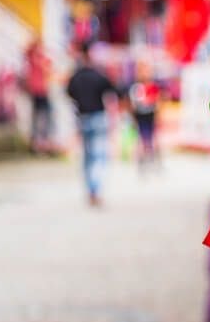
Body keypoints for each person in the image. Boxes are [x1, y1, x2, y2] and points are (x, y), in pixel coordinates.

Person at [65, 42, 117, 206]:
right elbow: (112, 89)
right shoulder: (97, 75)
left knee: (87, 157)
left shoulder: (76, 76)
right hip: (98, 118)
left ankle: (90, 189)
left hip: (83, 118)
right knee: (99, 156)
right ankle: (95, 189)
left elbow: (69, 93)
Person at [127, 62, 161, 172]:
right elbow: (134, 104)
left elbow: (157, 100)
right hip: (140, 115)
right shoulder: (137, 87)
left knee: (152, 138)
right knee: (142, 139)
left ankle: (153, 161)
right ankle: (142, 162)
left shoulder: (152, 86)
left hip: (150, 114)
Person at [24, 40, 54, 153]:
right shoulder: (34, 58)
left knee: (42, 116)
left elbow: (50, 68)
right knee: (41, 117)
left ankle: (41, 141)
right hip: (38, 91)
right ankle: (39, 142)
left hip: (41, 91)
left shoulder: (37, 59)